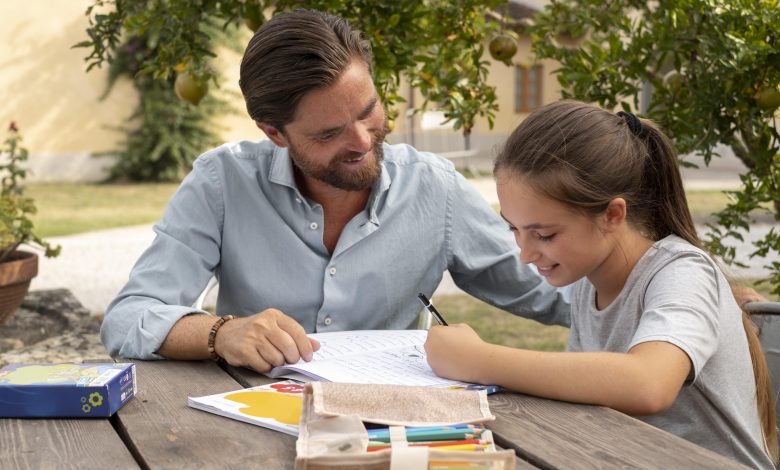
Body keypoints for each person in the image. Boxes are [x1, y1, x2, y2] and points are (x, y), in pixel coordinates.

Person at [100, 9, 571, 370]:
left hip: (391, 430)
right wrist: (220, 333)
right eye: (329, 134)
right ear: (275, 134)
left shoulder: (436, 189)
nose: (363, 142)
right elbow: (129, 317)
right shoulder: (221, 182)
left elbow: (557, 292)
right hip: (246, 423)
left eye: (368, 110)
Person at [424, 100, 778, 468]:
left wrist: (480, 360)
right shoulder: (587, 284)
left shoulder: (682, 272)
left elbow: (648, 384)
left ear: (612, 215)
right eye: (514, 229)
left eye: (544, 234)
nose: (525, 254)